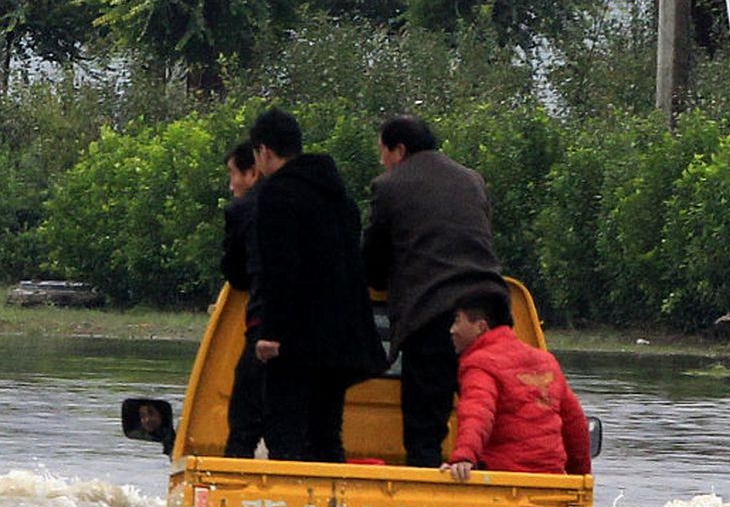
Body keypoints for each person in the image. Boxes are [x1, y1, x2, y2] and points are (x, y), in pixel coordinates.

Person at [363, 115, 506, 467]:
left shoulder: (389, 186)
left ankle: (424, 496)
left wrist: (378, 281)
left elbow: (373, 261)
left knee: (425, 423)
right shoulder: (473, 180)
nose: (382, 162)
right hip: (492, 308)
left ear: (399, 149)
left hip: (431, 313)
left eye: (383, 152)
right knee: (496, 412)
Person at [248, 107, 385, 462]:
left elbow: (282, 268)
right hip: (343, 341)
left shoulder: (276, 195)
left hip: (297, 341)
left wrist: (270, 332)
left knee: (284, 430)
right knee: (326, 435)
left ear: (263, 151)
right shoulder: (339, 198)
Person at [442, 291, 592, 481]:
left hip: (502, 481)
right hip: (551, 481)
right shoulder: (546, 361)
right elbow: (575, 424)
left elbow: (478, 411)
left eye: (457, 320)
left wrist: (464, 456)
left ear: (481, 327)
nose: (452, 330)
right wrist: (580, 480)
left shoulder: (480, 362)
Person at [220, 140, 266, 458]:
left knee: (244, 422)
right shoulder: (330, 206)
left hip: (266, 332)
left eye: (233, 174)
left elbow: (236, 275)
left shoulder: (246, 209)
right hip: (326, 342)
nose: (231, 184)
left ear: (252, 172)